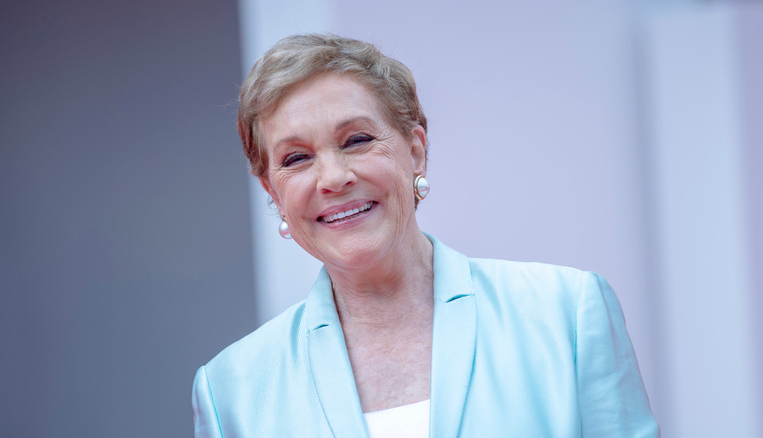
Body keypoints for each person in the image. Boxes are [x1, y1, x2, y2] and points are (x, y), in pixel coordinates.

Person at [191, 34, 659, 438]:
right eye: (296, 158)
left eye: (356, 140)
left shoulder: (566, 314)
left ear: (415, 151)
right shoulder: (231, 389)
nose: (333, 177)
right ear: (272, 191)